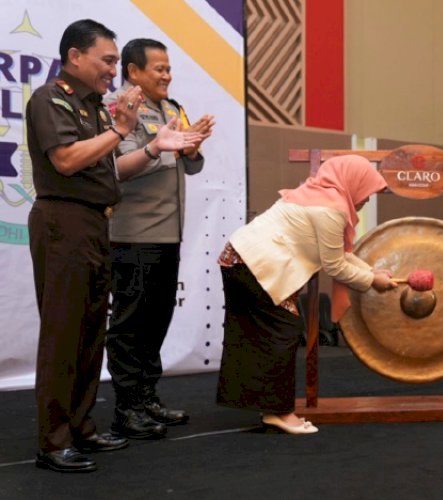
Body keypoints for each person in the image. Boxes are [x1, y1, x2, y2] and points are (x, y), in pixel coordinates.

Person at [26, 19, 201, 473]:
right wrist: (123, 130)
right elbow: (65, 161)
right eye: (106, 60)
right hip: (63, 222)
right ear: (74, 57)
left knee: (90, 335)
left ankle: (82, 427)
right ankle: (54, 440)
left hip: (96, 224)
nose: (112, 69)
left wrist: (151, 142)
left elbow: (109, 171)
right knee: (64, 337)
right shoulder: (51, 99)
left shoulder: (97, 110)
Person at [216, 155, 396, 434]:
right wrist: (372, 281)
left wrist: (372, 272)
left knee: (260, 334)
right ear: (353, 183)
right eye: (368, 192)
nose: (367, 200)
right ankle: (279, 412)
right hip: (250, 266)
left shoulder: (318, 195)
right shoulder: (331, 210)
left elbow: (342, 254)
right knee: (284, 331)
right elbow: (335, 265)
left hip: (240, 259)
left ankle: (268, 406)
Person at [103, 38, 214, 439]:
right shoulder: (120, 108)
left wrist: (191, 148)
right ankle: (126, 407)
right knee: (130, 323)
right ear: (133, 72)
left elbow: (192, 166)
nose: (167, 75)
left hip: (169, 234)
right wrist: (158, 147)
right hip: (133, 233)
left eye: (169, 68)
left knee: (157, 319)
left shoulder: (172, 108)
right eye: (159, 69)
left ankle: (147, 397)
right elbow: (118, 168)